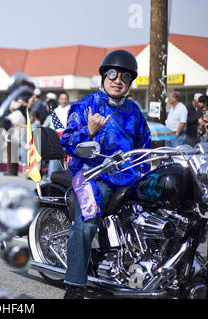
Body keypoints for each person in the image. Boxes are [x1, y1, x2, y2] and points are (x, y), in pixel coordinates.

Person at [60, 49, 151, 298]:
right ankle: (74, 286)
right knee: (87, 222)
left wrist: (144, 171)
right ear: (103, 76)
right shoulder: (84, 106)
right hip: (92, 176)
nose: (117, 80)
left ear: (130, 82)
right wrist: (87, 132)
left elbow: (145, 147)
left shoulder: (134, 112)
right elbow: (67, 142)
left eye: (124, 76)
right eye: (112, 74)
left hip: (128, 178)